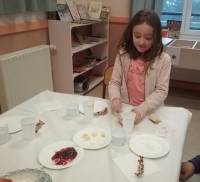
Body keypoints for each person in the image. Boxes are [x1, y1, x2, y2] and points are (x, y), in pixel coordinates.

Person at [108, 10, 171, 124]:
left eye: (148, 38)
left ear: (156, 37)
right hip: (126, 109)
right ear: (131, 33)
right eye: (137, 36)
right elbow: (114, 82)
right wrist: (115, 98)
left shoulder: (164, 60)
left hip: (149, 111)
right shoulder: (123, 55)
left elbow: (161, 91)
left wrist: (142, 110)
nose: (141, 42)